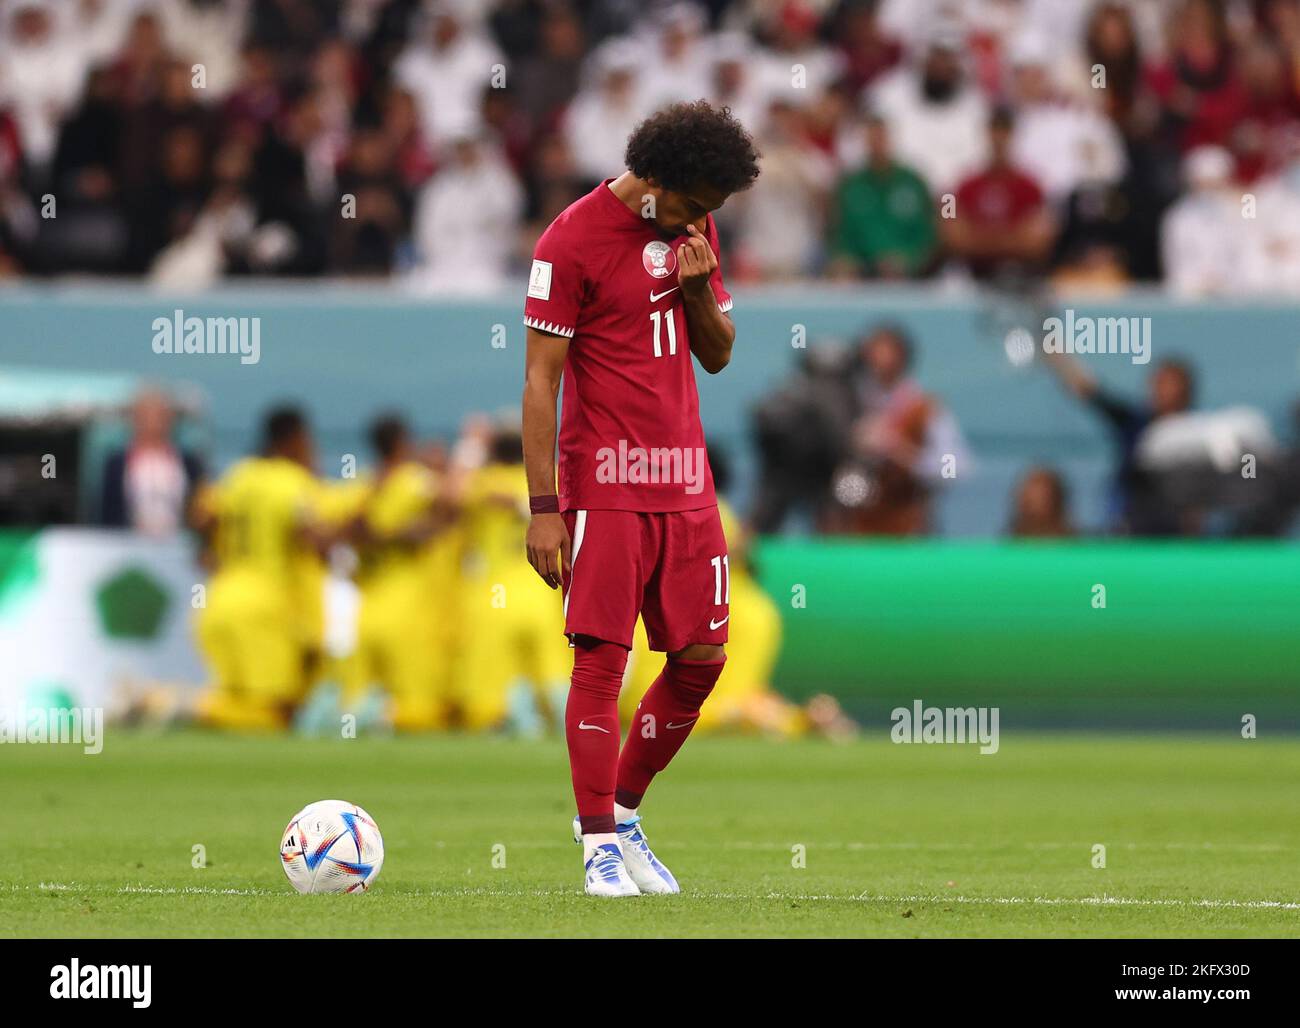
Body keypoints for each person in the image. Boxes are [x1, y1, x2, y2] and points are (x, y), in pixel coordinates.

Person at [520, 100, 760, 896]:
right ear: (655, 179)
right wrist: (544, 505)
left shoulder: (694, 230)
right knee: (601, 664)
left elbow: (719, 357)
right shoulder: (570, 240)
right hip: (606, 490)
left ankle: (623, 814)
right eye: (696, 203)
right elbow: (540, 381)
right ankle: (595, 847)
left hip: (687, 487)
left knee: (702, 661)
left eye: (714, 210)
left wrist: (698, 288)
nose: (703, 220)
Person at [193, 406, 329, 730]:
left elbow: (202, 517)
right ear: (294, 439)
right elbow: (311, 534)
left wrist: (210, 550)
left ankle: (180, 705)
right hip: (265, 605)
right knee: (277, 710)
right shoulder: (292, 481)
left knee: (237, 703)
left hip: (222, 597)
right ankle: (181, 705)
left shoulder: (238, 475)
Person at [100, 387, 203, 535]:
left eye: (161, 415)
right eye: (147, 415)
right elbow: (108, 513)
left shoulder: (188, 463)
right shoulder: (117, 463)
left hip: (178, 547)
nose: (154, 422)